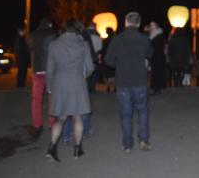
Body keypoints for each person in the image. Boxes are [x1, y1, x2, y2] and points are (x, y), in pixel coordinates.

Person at [45, 19, 94, 162]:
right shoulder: (83, 45)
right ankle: (77, 150)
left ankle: (52, 148)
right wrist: (83, 75)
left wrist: (49, 87)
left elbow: (50, 69)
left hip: (59, 84)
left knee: (60, 118)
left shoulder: (54, 44)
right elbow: (90, 67)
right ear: (78, 29)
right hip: (77, 83)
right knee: (77, 116)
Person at [105, 12, 153, 153]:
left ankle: (127, 144)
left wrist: (118, 63)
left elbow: (108, 61)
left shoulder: (117, 39)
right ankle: (143, 140)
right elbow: (150, 54)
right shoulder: (143, 39)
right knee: (142, 111)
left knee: (126, 113)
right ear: (138, 24)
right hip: (139, 80)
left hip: (123, 81)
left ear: (126, 22)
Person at [29, 18, 57, 138]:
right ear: (50, 25)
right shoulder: (53, 34)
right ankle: (52, 123)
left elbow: (28, 49)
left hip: (37, 70)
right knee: (52, 98)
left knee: (36, 99)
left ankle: (37, 124)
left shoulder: (32, 35)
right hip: (50, 70)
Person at [147, 22, 167, 95]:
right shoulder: (153, 34)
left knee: (157, 72)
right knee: (156, 72)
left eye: (153, 25)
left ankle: (157, 88)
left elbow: (157, 46)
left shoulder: (158, 35)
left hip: (158, 57)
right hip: (156, 57)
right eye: (151, 25)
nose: (151, 26)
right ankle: (157, 88)